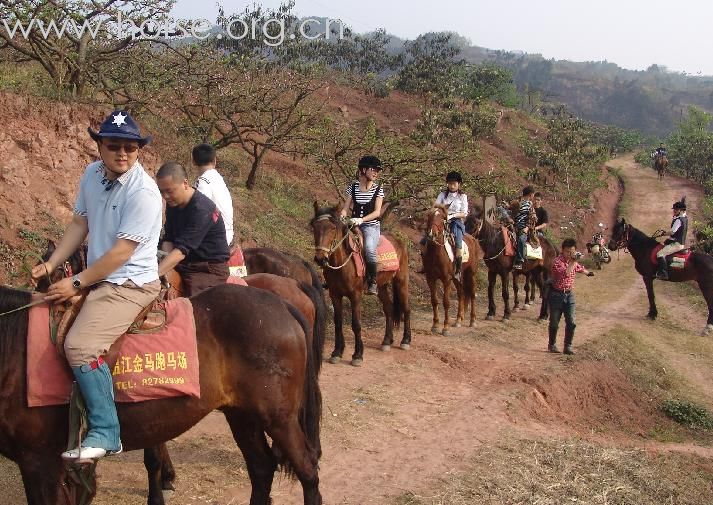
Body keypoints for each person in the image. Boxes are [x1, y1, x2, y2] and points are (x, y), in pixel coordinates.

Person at [31, 111, 162, 461]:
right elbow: (79, 223)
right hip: (100, 276)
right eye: (114, 146)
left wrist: (75, 282)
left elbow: (121, 253)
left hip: (129, 283)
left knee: (80, 346)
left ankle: (107, 430)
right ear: (99, 146)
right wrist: (52, 263)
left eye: (130, 148)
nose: (122, 153)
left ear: (138, 151)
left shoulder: (144, 193)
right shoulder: (91, 174)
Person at [157, 162, 230, 296]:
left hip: (207, 268)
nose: (165, 196)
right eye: (161, 191)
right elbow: (169, 238)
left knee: (194, 306)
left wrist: (154, 275)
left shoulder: (202, 209)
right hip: (184, 260)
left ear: (185, 183)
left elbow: (181, 251)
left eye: (170, 191)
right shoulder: (173, 203)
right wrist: (164, 261)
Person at [340, 155, 384, 295]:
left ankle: (372, 281)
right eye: (373, 169)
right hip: (353, 225)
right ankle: (334, 277)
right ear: (363, 169)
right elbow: (346, 206)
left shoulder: (378, 189)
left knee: (370, 250)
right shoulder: (352, 188)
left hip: (371, 226)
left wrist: (361, 220)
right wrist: (343, 215)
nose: (376, 172)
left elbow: (377, 212)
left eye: (378, 170)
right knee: (336, 243)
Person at [548, 238, 595, 355]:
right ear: (562, 251)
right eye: (567, 251)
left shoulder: (573, 261)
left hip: (569, 295)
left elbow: (579, 268)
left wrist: (588, 273)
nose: (569, 254)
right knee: (554, 323)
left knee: (571, 322)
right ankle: (552, 344)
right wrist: (573, 262)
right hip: (556, 295)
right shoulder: (557, 262)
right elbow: (566, 273)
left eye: (572, 252)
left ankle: (568, 346)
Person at [192, 143, 234, 246]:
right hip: (227, 231)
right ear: (215, 160)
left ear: (193, 161)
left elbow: (199, 212)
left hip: (216, 237)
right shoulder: (217, 178)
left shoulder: (203, 182)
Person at [435, 171, 469, 281]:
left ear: (459, 184)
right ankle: (427, 265)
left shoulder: (462, 196)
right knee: (426, 239)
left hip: (456, 222)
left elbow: (464, 213)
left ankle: (458, 270)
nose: (452, 186)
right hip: (442, 220)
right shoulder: (442, 195)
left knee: (458, 244)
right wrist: (440, 211)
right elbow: (435, 205)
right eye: (450, 183)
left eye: (454, 183)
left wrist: (452, 215)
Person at [656, 198, 688, 280]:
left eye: (676, 210)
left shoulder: (678, 220)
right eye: (674, 209)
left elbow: (672, 232)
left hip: (677, 244)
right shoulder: (684, 217)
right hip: (677, 241)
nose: (674, 211)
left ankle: (664, 273)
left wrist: (664, 233)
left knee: (660, 254)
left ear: (681, 211)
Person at [514, 186, 535, 269]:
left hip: (523, 228)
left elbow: (532, 218)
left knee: (521, 240)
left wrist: (527, 227)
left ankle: (520, 260)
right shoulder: (517, 202)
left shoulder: (530, 205)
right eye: (533, 195)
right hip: (513, 226)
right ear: (531, 194)